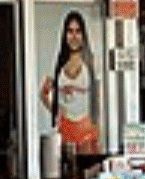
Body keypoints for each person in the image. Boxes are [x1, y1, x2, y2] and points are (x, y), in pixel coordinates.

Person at [40, 10, 100, 155]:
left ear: (83, 35)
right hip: (65, 127)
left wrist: (99, 129)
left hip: (86, 128)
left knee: (86, 171)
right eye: (70, 31)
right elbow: (44, 94)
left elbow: (98, 98)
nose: (74, 36)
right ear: (65, 34)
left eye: (78, 31)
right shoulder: (57, 64)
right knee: (67, 171)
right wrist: (57, 111)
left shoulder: (91, 63)